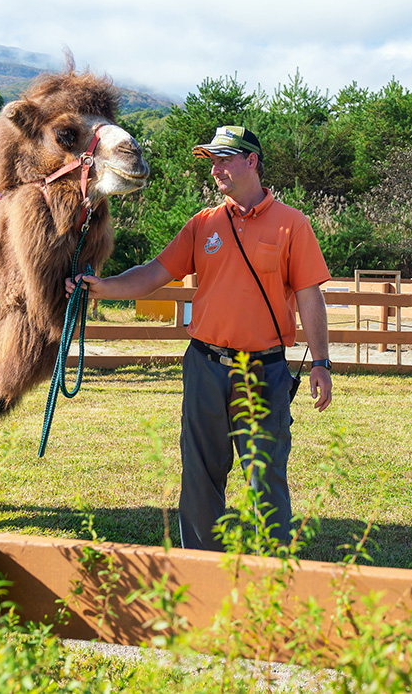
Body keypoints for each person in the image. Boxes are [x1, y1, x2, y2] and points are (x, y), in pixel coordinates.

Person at [66, 126, 333, 552]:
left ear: (252, 161)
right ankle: (202, 568)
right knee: (200, 477)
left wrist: (320, 362)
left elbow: (309, 295)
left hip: (264, 371)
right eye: (211, 160)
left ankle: (273, 573)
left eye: (224, 159)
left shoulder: (292, 225)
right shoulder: (203, 224)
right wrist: (102, 287)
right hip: (205, 365)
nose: (215, 169)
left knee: (266, 478)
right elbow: (153, 274)